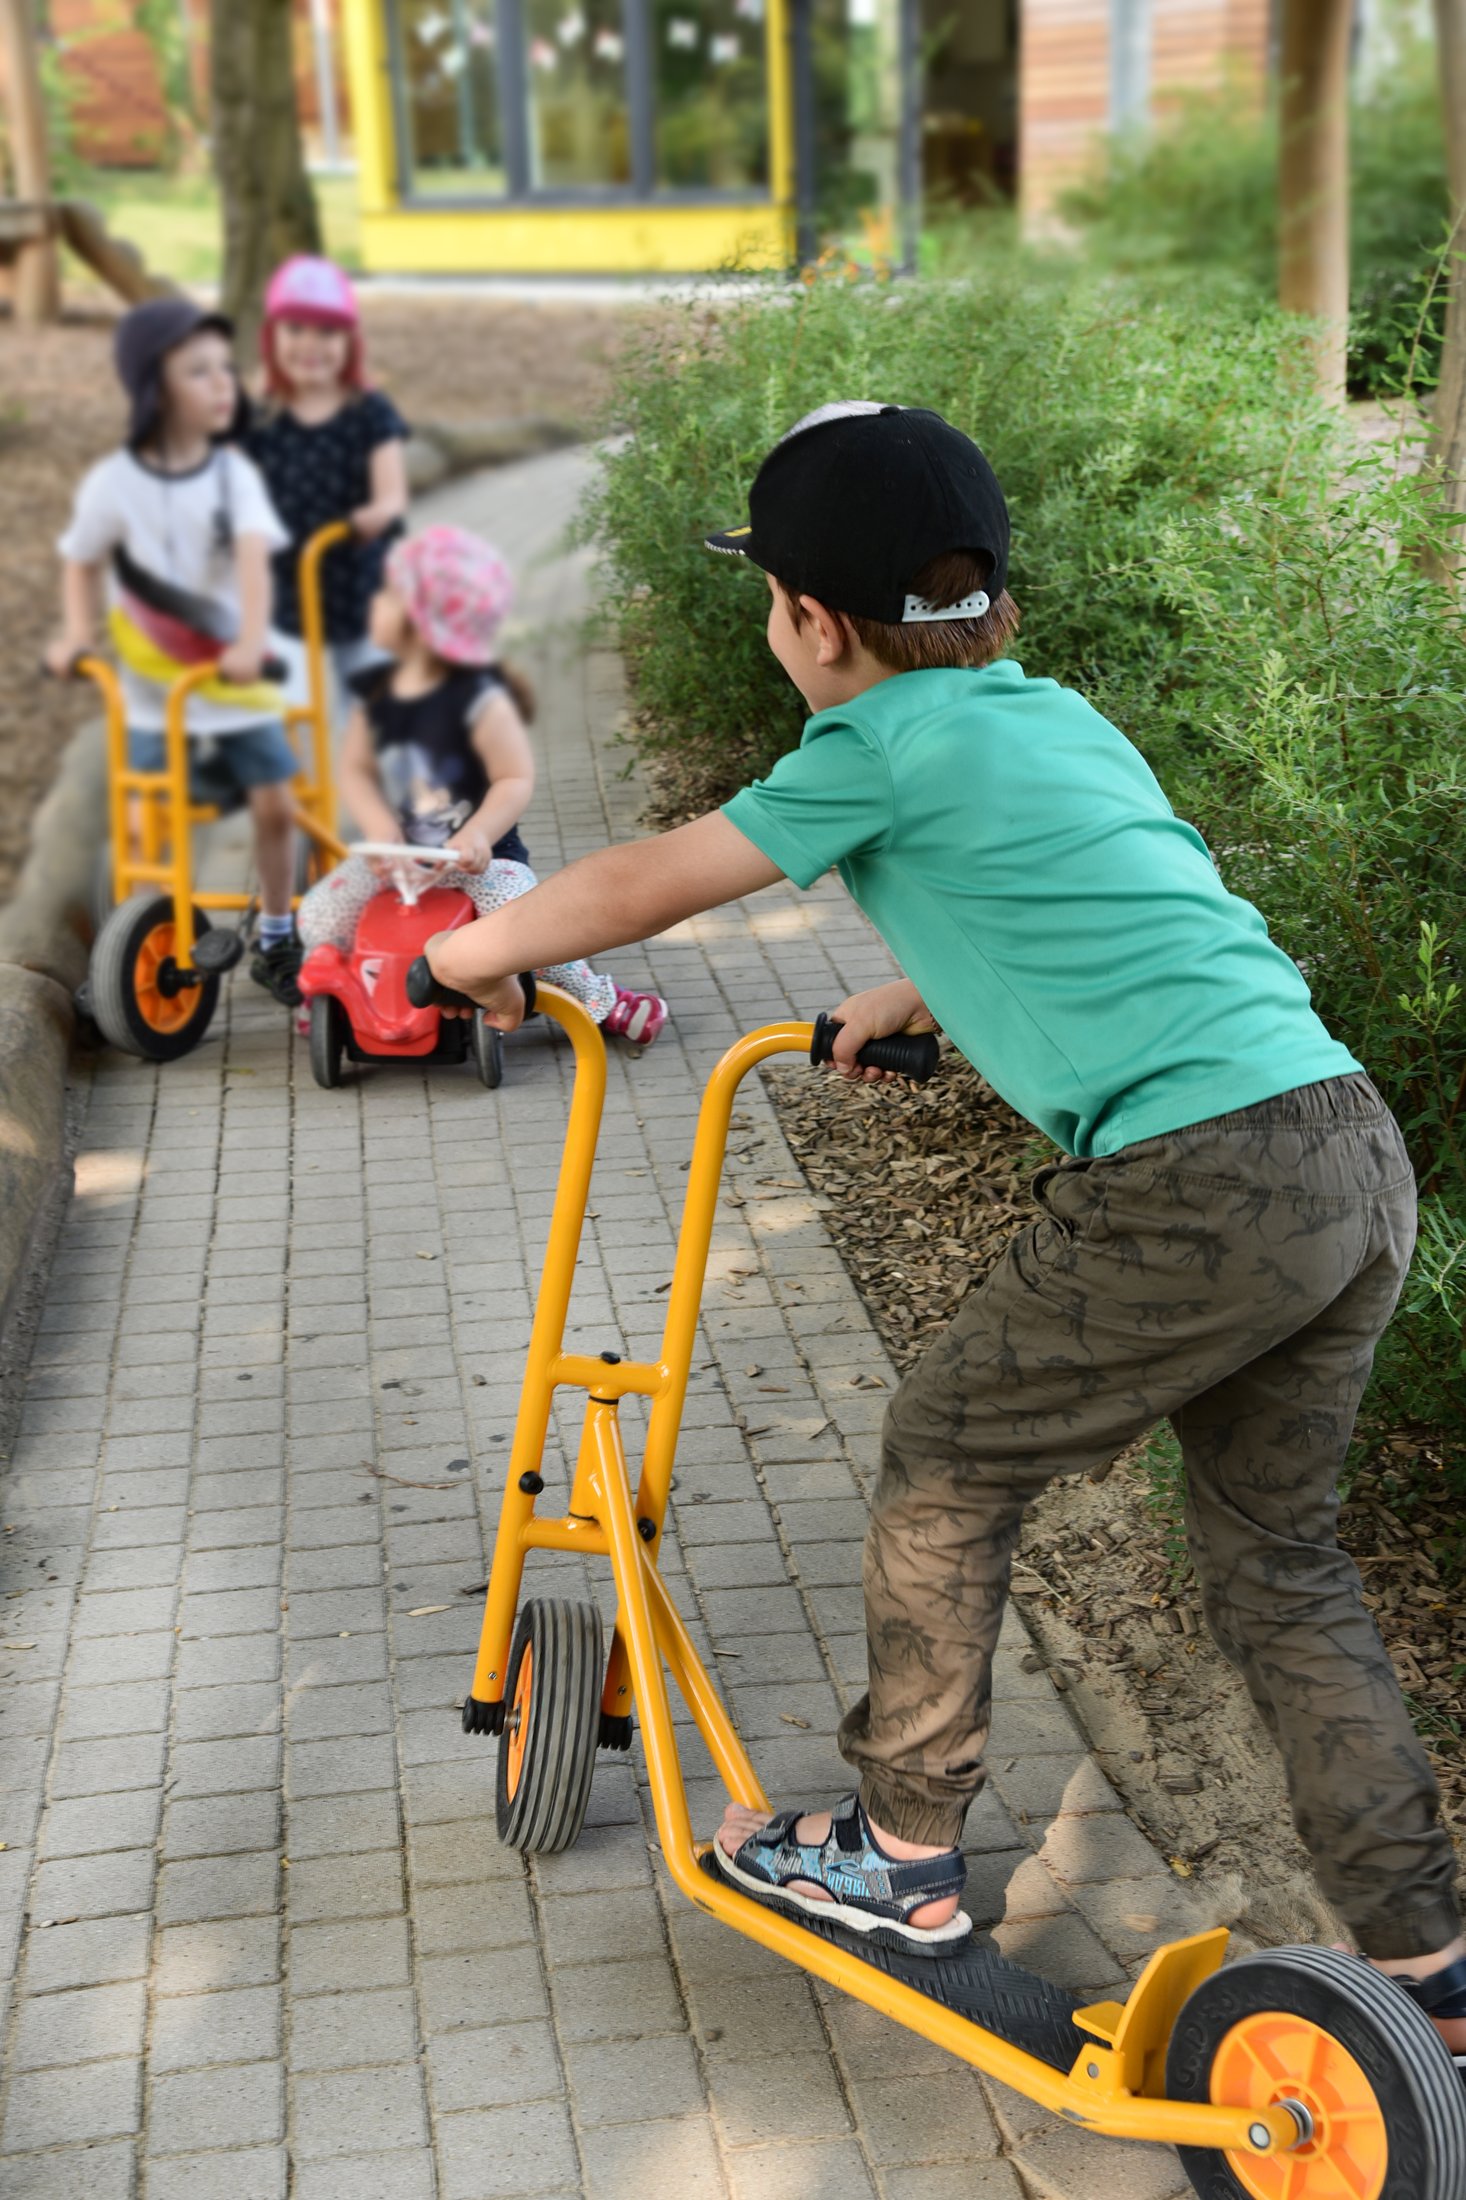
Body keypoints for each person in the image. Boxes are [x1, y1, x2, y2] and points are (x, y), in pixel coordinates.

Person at [421, 401, 1466, 2061]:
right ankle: (1426, 1970)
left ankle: (898, 1858)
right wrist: (917, 979)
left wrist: (473, 959)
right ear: (997, 606)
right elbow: (1129, 895)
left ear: (812, 625)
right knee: (1279, 1561)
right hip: (1340, 1150)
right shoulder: (1054, 722)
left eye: (771, 605)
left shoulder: (875, 746)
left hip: (1195, 1182)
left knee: (946, 1457)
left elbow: (644, 883)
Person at [297, 523, 668, 1048]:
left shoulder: (479, 701)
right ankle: (339, 997)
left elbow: (513, 778)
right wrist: (379, 825)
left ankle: (599, 999)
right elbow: (354, 767)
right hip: (396, 862)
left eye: (384, 595)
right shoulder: (377, 695)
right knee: (317, 913)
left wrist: (478, 834)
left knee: (533, 926)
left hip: (478, 864)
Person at [47, 295, 305, 1006]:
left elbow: (255, 566)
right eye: (200, 371)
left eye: (227, 368)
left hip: (235, 680)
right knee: (143, 818)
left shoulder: (234, 478)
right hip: (156, 690)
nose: (224, 383)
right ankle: (141, 937)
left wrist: (252, 642)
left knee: (276, 804)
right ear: (154, 389)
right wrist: (74, 635)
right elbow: (81, 561)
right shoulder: (115, 484)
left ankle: (279, 933)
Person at [245, 254, 409, 701]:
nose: (310, 344)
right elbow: (231, 484)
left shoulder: (370, 412)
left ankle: (391, 769)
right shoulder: (261, 418)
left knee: (382, 717)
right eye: (294, 329)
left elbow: (393, 495)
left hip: (361, 591)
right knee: (298, 716)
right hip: (289, 598)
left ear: (350, 341)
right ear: (272, 337)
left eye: (327, 331)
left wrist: (377, 514)